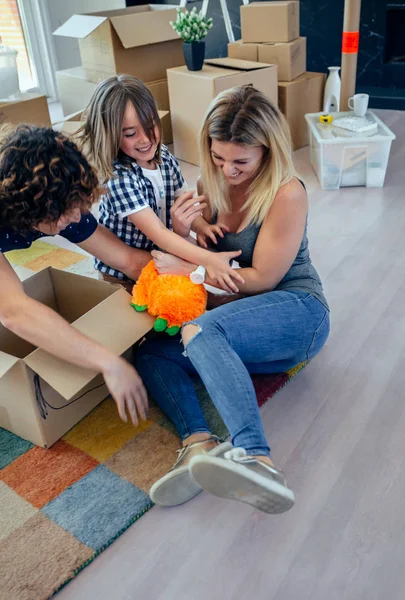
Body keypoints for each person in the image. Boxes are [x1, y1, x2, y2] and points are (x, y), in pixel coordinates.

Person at [135, 86, 330, 515]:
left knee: (201, 329)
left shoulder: (287, 191)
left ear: (268, 150)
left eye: (241, 161)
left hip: (296, 312)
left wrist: (194, 271)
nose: (228, 170)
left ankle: (256, 457)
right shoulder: (213, 180)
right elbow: (201, 248)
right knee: (152, 353)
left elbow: (263, 279)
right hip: (236, 329)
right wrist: (185, 229)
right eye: (218, 157)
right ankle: (199, 444)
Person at [0, 124, 151, 426]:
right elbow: (13, 310)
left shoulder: (63, 203)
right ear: (31, 208)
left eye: (78, 206)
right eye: (66, 212)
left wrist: (199, 274)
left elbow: (128, 261)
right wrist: (107, 361)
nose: (76, 217)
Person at [80, 75, 244, 294]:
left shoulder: (164, 155)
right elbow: (158, 232)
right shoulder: (118, 178)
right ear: (111, 136)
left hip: (160, 256)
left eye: (150, 126)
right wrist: (209, 259)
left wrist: (200, 226)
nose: (145, 139)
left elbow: (182, 199)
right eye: (130, 134)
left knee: (189, 293)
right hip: (122, 275)